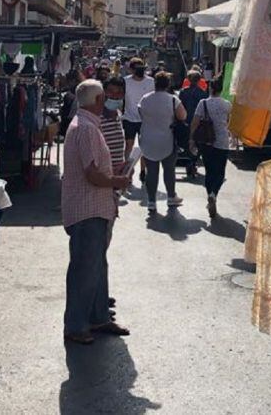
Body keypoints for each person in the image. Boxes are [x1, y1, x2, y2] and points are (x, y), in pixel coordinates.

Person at [61, 80, 131, 345]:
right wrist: (117, 181)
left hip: (95, 207)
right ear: (99, 99)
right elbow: (92, 174)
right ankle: (76, 325)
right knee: (85, 268)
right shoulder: (87, 128)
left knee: (97, 266)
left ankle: (98, 316)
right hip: (87, 208)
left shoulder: (87, 124)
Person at [137, 72, 187, 210]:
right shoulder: (173, 100)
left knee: (151, 172)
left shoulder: (144, 99)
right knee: (169, 170)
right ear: (168, 84)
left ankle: (151, 201)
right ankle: (171, 197)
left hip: (147, 139)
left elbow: (140, 113)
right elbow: (183, 116)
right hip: (167, 139)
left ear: (155, 83)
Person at [191, 78, 233, 216]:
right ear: (221, 90)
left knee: (209, 171)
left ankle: (210, 193)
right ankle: (214, 194)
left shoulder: (203, 103)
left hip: (206, 141)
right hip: (222, 141)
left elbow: (195, 122)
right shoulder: (227, 104)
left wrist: (191, 139)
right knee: (220, 172)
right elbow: (230, 122)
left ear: (209, 88)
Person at [122, 58, 153, 158]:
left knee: (144, 147)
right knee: (128, 145)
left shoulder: (151, 81)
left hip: (145, 120)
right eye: (136, 69)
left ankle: (143, 171)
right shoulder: (125, 81)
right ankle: (126, 167)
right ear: (131, 70)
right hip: (129, 118)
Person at [100, 77, 128, 169]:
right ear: (103, 92)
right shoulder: (96, 118)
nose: (114, 96)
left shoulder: (118, 114)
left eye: (119, 92)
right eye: (110, 91)